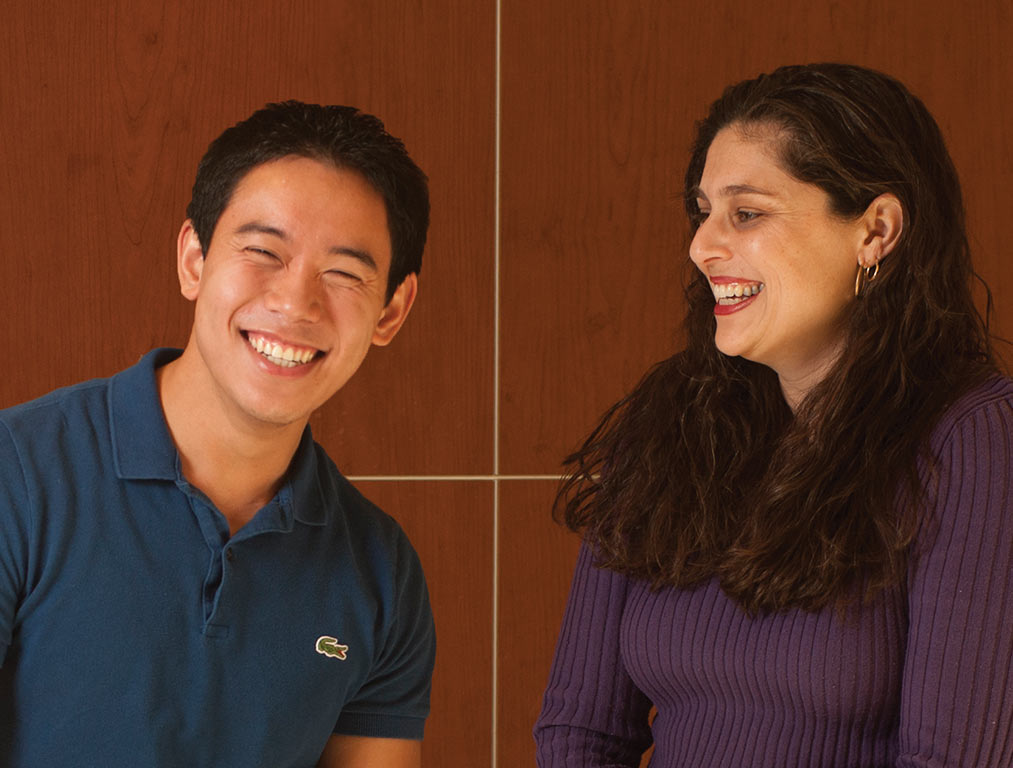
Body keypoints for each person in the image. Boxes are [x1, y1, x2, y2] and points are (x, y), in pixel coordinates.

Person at [534, 63, 1013, 766]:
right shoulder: (666, 425)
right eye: (702, 211)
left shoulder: (974, 440)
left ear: (875, 230)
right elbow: (580, 734)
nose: (702, 246)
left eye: (746, 212)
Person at [0, 101, 435, 767]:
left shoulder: (380, 572)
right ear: (193, 260)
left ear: (392, 311)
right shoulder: (19, 478)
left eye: (344, 273)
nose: (296, 303)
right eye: (263, 252)